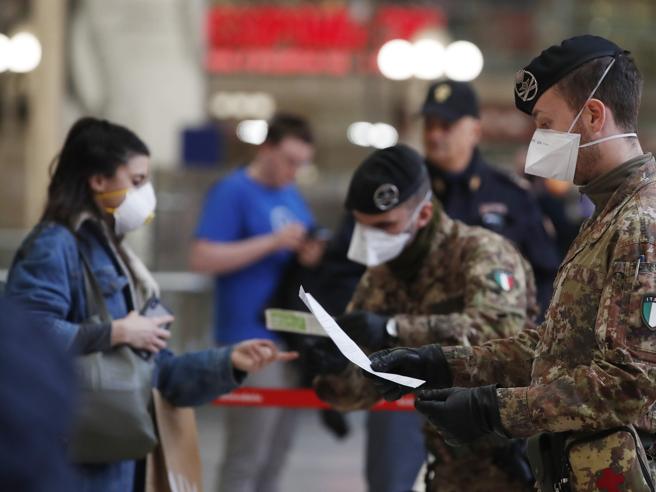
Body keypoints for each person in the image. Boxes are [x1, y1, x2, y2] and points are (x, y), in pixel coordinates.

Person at [370, 35, 656, 491]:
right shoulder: (608, 214)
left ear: (595, 116)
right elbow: (558, 348)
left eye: (547, 123)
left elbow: (632, 383)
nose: (539, 142)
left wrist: (496, 411)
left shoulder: (641, 222)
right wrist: (443, 364)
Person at [4, 117, 297, 491]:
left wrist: (228, 363)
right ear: (97, 181)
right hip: (75, 457)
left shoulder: (116, 254)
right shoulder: (56, 245)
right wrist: (115, 332)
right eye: (137, 181)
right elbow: (27, 341)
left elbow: (158, 372)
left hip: (121, 459)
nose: (146, 193)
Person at [314, 144, 539, 491]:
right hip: (448, 464)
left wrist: (393, 329)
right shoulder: (381, 276)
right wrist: (334, 371)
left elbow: (500, 333)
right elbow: (367, 389)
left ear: (422, 215)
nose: (372, 238)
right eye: (363, 227)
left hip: (511, 456)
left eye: (385, 225)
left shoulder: (481, 252)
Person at [190, 113, 319, 492]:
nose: (294, 172)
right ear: (266, 149)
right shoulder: (233, 191)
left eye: (302, 165)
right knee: (247, 453)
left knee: (276, 454)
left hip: (290, 332)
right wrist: (271, 243)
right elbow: (202, 257)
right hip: (248, 335)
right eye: (290, 162)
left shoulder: (290, 194)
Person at [421, 79, 559, 314]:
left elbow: (546, 275)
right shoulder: (408, 193)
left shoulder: (510, 195)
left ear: (475, 131)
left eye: (445, 126)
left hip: (495, 336)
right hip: (416, 337)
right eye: (429, 125)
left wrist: (530, 331)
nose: (434, 135)